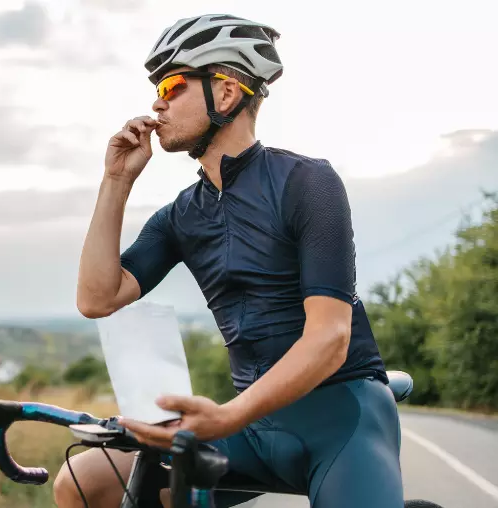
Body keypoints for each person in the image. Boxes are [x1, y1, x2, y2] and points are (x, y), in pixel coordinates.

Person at [53, 14, 404, 508]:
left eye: (173, 84)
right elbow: (96, 298)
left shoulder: (307, 182)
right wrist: (116, 180)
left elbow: (330, 338)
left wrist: (229, 415)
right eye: (157, 87)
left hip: (341, 415)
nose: (157, 100)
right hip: (254, 425)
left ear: (225, 94)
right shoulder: (181, 215)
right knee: (84, 481)